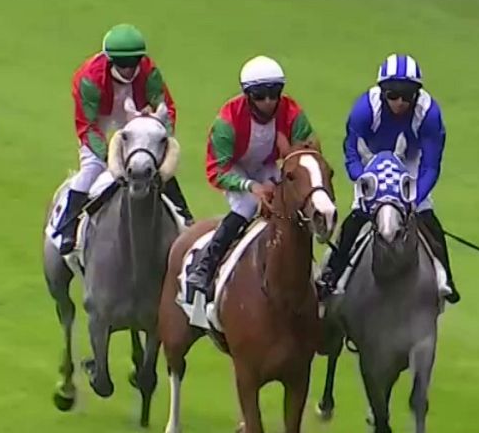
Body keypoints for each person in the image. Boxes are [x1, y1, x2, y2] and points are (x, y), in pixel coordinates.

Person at [316, 53, 457, 304]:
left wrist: (415, 198)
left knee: (426, 216)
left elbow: (431, 165)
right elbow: (351, 152)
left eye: (407, 95)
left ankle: (445, 277)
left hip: (409, 163)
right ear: (382, 93)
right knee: (357, 217)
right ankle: (332, 275)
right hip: (372, 162)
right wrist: (364, 181)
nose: (400, 102)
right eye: (393, 95)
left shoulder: (429, 115)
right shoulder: (364, 109)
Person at [183, 56, 316, 305]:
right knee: (246, 206)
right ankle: (205, 268)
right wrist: (251, 186)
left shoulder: (292, 111)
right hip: (235, 168)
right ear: (247, 95)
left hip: (267, 164)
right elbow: (217, 169)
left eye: (274, 93)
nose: (268, 101)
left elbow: (305, 148)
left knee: (295, 201)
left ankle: (310, 271)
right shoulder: (227, 121)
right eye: (260, 95)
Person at [55, 23, 194, 254]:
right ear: (110, 61)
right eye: (123, 64)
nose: (129, 69)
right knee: (92, 168)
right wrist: (114, 158)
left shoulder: (149, 71)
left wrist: (162, 139)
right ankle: (67, 226)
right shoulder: (89, 79)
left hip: (135, 111)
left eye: (134, 63)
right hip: (99, 114)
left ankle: (185, 217)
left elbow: (165, 108)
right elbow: (88, 127)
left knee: (154, 163)